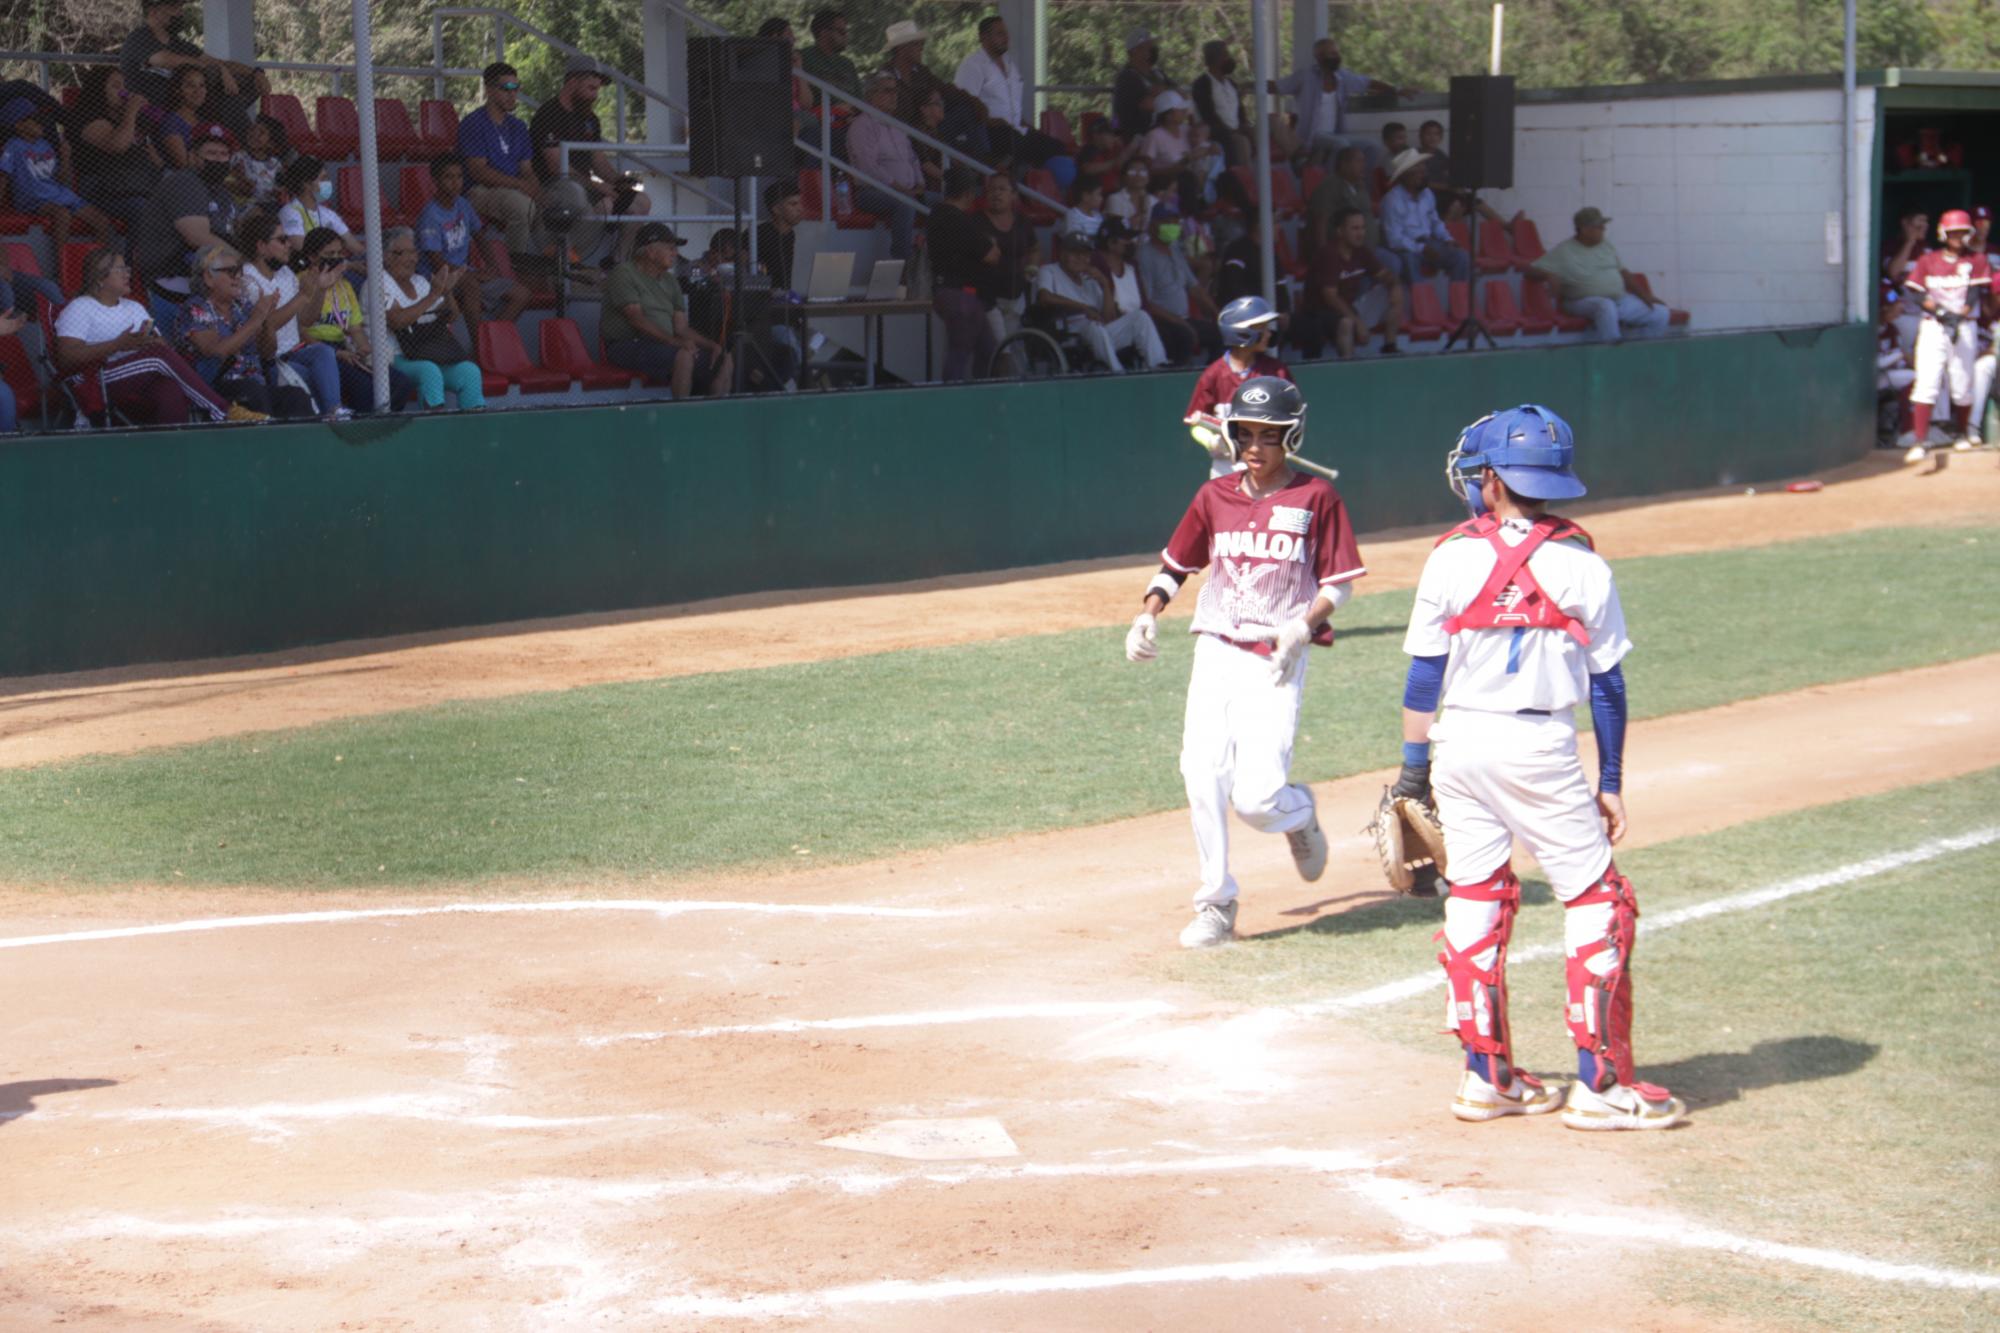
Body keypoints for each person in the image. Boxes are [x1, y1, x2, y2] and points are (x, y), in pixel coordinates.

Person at [1396, 404, 1683, 1131]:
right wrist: (1610, 781)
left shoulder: (1448, 556)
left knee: (1477, 893)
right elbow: (1608, 687)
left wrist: (1412, 771)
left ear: (1493, 482)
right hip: (1538, 749)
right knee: (1599, 900)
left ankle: (1485, 1079)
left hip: (1460, 743)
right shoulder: (1584, 563)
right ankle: (1601, 1086)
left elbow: (1423, 678)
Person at [1124, 377, 1357, 948]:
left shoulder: (1316, 499)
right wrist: (1147, 614)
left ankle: (1297, 813)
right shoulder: (1214, 495)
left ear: (1291, 436)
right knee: (1201, 772)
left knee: (1256, 800)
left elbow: (1340, 583)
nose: (1255, 446)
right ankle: (1216, 901)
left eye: (1269, 435)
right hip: (1216, 648)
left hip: (1276, 658)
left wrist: (1304, 624)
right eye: (1245, 434)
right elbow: (1176, 566)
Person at [55, 246, 236, 424]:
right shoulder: (79, 307)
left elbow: (161, 346)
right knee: (157, 357)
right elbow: (66, 357)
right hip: (96, 378)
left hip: (138, 373)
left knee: (171, 388)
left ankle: (173, 442)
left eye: (127, 269)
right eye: (120, 270)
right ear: (100, 278)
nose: (127, 274)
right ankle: (221, 410)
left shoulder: (135, 307)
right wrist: (117, 345)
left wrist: (150, 341)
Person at [530, 55, 651, 267]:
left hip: (586, 187)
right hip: (556, 188)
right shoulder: (548, 114)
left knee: (641, 202)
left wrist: (617, 180)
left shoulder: (590, 119)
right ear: (572, 82)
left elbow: (598, 160)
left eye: (597, 89)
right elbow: (557, 168)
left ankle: (618, 262)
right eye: (591, 88)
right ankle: (563, 260)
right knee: (601, 203)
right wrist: (600, 187)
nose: (595, 95)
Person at [179, 241, 315, 418]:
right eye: (231, 272)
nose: (238, 277)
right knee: (253, 393)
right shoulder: (195, 308)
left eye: (239, 271)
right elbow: (216, 351)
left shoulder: (241, 305)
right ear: (208, 278)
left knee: (296, 396)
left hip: (256, 384)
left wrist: (267, 323)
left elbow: (267, 353)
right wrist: (256, 320)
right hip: (216, 389)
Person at [601, 222, 732, 400]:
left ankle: (717, 413)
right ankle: (679, 412)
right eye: (670, 248)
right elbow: (636, 319)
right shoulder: (624, 273)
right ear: (650, 251)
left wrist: (712, 346)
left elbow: (681, 328)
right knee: (684, 355)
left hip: (661, 345)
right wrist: (675, 342)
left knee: (724, 358)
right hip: (625, 345)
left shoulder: (670, 281)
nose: (675, 253)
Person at [236, 209, 348, 416]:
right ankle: (328, 419)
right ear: (261, 246)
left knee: (324, 351)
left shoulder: (286, 273)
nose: (289, 244)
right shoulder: (247, 278)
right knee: (310, 376)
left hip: (295, 352)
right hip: (268, 360)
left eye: (288, 239)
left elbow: (305, 320)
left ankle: (335, 411)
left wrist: (320, 290)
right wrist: (303, 296)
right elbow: (266, 324)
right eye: (281, 240)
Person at [1902, 209, 1993, 459]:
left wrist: (1958, 317)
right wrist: (1941, 313)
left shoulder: (1976, 259)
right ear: (1943, 233)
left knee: (1962, 384)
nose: (1958, 237)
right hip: (1934, 325)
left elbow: (1974, 294)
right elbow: (1916, 293)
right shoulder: (1928, 260)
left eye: (1962, 232)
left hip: (1964, 325)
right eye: (1953, 233)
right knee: (1927, 381)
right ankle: (1920, 441)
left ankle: (1962, 434)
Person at [296, 226, 413, 413]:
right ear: (312, 257)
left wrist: (365, 350)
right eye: (329, 254)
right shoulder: (300, 282)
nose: (336, 258)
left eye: (338, 253)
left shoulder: (344, 286)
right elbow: (300, 331)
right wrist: (336, 353)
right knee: (365, 388)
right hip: (318, 350)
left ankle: (381, 424)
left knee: (401, 382)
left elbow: (355, 329)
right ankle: (361, 427)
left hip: (345, 347)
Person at [417, 153, 532, 332]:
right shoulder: (430, 215)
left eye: (459, 176)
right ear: (435, 180)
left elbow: (480, 237)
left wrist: (492, 267)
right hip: (437, 277)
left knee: (521, 294)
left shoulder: (463, 204)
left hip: (465, 273)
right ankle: (479, 345)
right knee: (471, 285)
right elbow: (437, 262)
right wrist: (474, 275)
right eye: (448, 177)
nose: (456, 182)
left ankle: (492, 338)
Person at [131, 123, 244, 302]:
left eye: (224, 154)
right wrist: (242, 261)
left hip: (204, 277)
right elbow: (196, 237)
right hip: (170, 279)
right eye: (211, 153)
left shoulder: (222, 194)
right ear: (192, 156)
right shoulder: (184, 182)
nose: (218, 160)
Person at [1526, 206, 1669, 345]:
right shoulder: (1564, 250)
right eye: (1599, 227)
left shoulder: (1606, 245)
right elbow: (1529, 270)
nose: (1604, 229)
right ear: (1584, 229)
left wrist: (1645, 296)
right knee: (1605, 306)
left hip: (1618, 300)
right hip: (1580, 302)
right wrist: (1548, 274)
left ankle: (1645, 352)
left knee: (1660, 312)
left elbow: (1623, 272)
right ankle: (1612, 349)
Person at [121, 0, 266, 135]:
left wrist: (256, 73)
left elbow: (220, 62)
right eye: (174, 7)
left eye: (181, 7)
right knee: (216, 81)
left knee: (241, 90)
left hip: (187, 110)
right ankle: (246, 143)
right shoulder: (138, 38)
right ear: (153, 12)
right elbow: (167, 60)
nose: (180, 13)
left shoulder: (180, 44)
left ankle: (238, 143)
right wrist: (220, 69)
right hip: (149, 112)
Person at [378, 227, 483, 411]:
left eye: (413, 252)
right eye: (403, 253)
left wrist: (447, 292)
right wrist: (434, 294)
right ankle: (434, 424)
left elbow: (452, 316)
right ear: (386, 257)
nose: (412, 259)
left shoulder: (420, 282)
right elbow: (397, 321)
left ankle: (474, 423)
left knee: (469, 371)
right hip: (396, 358)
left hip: (429, 352)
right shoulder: (378, 283)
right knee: (428, 371)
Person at [1183, 295, 1289, 476]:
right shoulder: (1213, 375)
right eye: (1260, 328)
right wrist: (1212, 442)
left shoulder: (1276, 372)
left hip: (1267, 468)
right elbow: (1195, 423)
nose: (1268, 333)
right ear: (1240, 332)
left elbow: (1293, 417)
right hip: (1225, 468)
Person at [1033, 229, 1163, 373]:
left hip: (1099, 334)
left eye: (1085, 254)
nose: (1080, 258)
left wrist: (1105, 283)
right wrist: (1084, 308)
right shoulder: (1049, 270)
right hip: (1068, 333)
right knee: (1094, 327)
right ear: (1063, 253)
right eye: (1075, 253)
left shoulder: (1089, 279)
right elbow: (1045, 297)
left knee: (1141, 317)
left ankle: (1157, 366)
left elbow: (1109, 318)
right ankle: (1117, 372)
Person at [0, 99, 115, 253]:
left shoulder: (45, 145)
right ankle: (63, 264)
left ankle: (99, 263)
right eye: (35, 118)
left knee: (102, 222)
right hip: (35, 199)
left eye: (41, 117)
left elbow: (63, 180)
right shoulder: (13, 146)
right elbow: (3, 175)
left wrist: (65, 157)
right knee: (62, 214)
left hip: (59, 195)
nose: (41, 122)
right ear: (18, 125)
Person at [953, 16, 1063, 169]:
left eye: (1006, 33)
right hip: (991, 133)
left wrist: (1025, 123)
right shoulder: (973, 65)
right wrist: (988, 121)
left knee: (1058, 148)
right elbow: (964, 102)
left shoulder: (1010, 64)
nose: (1006, 38)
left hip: (1016, 129)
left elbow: (1012, 103)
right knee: (1030, 150)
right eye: (1000, 34)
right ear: (984, 37)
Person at [1274, 39, 1403, 169]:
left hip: (1336, 133)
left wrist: (1396, 90)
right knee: (1340, 145)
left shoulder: (1342, 76)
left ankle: (1360, 181)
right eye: (1332, 53)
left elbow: (1368, 83)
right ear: (1319, 57)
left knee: (1373, 146)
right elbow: (1277, 86)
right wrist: (1260, 86)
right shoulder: (1305, 76)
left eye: (1337, 53)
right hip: (1312, 135)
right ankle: (1331, 178)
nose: (1337, 57)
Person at [457, 62, 540, 264]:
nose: (512, 94)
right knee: (521, 207)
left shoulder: (518, 126)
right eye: (506, 89)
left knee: (553, 206)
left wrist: (537, 190)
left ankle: (548, 268)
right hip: (478, 191)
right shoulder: (474, 123)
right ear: (489, 90)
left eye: (516, 88)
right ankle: (514, 266)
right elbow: (478, 172)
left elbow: (527, 169)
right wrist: (520, 185)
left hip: (510, 189)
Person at [69, 66, 163, 238]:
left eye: (124, 86)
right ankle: (137, 255)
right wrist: (131, 112)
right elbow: (117, 145)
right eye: (115, 86)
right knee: (140, 207)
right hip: (100, 188)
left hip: (133, 183)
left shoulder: (124, 119)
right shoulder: (88, 119)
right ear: (99, 89)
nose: (123, 91)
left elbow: (153, 158)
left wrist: (142, 115)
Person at [1298, 207, 1404, 359]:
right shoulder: (1329, 254)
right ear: (1340, 231)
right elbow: (1330, 297)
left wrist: (1394, 285)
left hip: (1348, 308)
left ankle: (1390, 347)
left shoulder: (1361, 251)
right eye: (1355, 228)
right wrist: (1358, 323)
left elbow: (1385, 275)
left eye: (1362, 228)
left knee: (1395, 293)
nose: (1361, 233)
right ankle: (1348, 363)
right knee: (1347, 322)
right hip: (1320, 314)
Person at [927, 166, 998, 381]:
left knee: (987, 348)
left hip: (955, 293)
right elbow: (991, 255)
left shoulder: (937, 214)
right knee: (960, 349)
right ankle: (951, 395)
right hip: (959, 294)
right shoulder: (958, 219)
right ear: (968, 194)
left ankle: (980, 391)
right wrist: (992, 242)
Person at [884, 21, 988, 162]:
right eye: (917, 43)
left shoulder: (921, 71)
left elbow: (946, 90)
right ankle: (977, 163)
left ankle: (982, 161)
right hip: (903, 135)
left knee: (967, 110)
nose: (922, 47)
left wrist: (974, 100)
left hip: (931, 129)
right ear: (902, 48)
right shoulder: (884, 77)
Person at [847, 71, 925, 261]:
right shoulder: (862, 126)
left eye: (895, 91)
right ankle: (903, 264)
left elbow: (913, 159)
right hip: (872, 192)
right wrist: (900, 189)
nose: (894, 96)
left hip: (907, 191)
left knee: (944, 203)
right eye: (887, 91)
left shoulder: (897, 126)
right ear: (870, 95)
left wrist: (920, 184)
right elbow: (868, 167)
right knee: (905, 204)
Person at [1137, 202, 1221, 365]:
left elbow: (1195, 288)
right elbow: (1147, 303)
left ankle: (1210, 377)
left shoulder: (1175, 251)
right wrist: (1181, 323)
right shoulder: (1145, 256)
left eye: (1175, 222)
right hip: (1161, 321)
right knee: (1185, 337)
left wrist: (1217, 313)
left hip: (1184, 319)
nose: (1172, 226)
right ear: (1154, 224)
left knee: (1220, 334)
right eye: (1167, 222)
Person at [1380, 148, 1468, 289]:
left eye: (1424, 170)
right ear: (1404, 176)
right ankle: (1420, 299)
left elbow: (1435, 222)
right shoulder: (1392, 200)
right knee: (1409, 261)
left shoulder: (1427, 193)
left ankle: (1459, 298)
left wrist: (1448, 239)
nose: (1423, 175)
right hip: (1406, 247)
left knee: (1461, 257)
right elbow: (1394, 239)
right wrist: (1421, 248)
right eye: (1418, 171)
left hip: (1429, 242)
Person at [979, 173, 1039, 344]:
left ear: (1014, 195)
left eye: (1002, 189)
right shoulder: (976, 222)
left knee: (1013, 346)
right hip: (987, 299)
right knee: (1001, 348)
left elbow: (1034, 248)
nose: (996, 193)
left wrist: (1032, 267)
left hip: (1015, 298)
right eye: (992, 189)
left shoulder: (1023, 222)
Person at [275, 155, 362, 257]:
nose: (328, 183)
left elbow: (355, 246)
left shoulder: (328, 213)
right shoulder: (290, 212)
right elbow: (300, 246)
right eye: (323, 179)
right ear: (307, 184)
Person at [1191, 40, 1249, 167]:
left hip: (1236, 130)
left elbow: (1240, 111)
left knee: (1261, 132)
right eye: (1226, 55)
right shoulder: (1202, 84)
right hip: (1218, 134)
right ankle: (1245, 177)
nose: (1229, 58)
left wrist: (1245, 125)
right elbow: (1208, 116)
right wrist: (1231, 131)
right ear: (1216, 59)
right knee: (1241, 141)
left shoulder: (1231, 84)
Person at [801, 10, 863, 112]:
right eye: (842, 32)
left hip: (850, 118)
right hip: (819, 117)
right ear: (823, 32)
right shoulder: (804, 57)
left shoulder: (847, 64)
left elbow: (860, 100)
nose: (846, 36)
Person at [1113, 30, 1171, 138]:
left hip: (1163, 133)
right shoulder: (1127, 77)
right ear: (1135, 51)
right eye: (1148, 46)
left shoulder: (1158, 74)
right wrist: (1162, 95)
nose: (1153, 50)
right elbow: (1146, 106)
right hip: (1139, 136)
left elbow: (1181, 94)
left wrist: (1161, 93)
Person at [151, 63, 209, 168]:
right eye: (190, 86)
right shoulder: (171, 122)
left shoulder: (204, 122)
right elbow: (183, 163)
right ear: (177, 91)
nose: (198, 91)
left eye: (202, 85)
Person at [227, 113, 286, 207]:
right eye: (252, 129)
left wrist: (277, 192)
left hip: (269, 206)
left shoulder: (275, 164)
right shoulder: (239, 158)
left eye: (261, 132)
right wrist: (240, 178)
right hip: (244, 206)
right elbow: (231, 183)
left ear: (271, 143)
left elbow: (280, 187)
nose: (254, 134)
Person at [756, 177, 802, 292]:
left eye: (800, 203)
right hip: (764, 297)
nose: (800, 209)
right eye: (793, 204)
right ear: (776, 209)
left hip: (787, 296)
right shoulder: (758, 234)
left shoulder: (792, 234)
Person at [1063, 175, 1105, 241]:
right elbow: (1075, 239)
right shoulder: (1073, 215)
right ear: (1085, 196)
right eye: (1099, 194)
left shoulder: (1099, 216)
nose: (1101, 198)